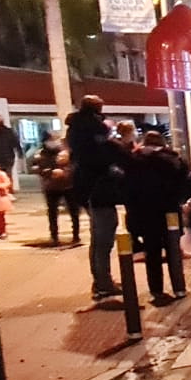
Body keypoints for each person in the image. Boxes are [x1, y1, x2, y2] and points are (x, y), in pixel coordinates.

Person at [66, 96, 123, 300]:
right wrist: (112, 166)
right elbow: (98, 158)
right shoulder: (91, 130)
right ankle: (103, 282)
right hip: (98, 191)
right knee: (103, 236)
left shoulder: (77, 129)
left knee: (99, 236)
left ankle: (101, 280)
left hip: (88, 189)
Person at [125, 131, 189, 304]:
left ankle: (156, 291)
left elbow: (128, 190)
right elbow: (185, 184)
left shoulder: (134, 161)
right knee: (173, 250)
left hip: (146, 213)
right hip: (170, 211)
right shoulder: (174, 159)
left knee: (152, 253)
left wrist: (132, 217)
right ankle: (179, 288)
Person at [32, 135, 80, 245]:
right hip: (51, 187)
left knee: (74, 211)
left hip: (68, 186)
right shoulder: (41, 154)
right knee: (52, 212)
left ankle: (76, 235)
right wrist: (49, 173)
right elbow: (36, 168)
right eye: (51, 140)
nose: (54, 142)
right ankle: (54, 236)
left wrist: (65, 172)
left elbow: (75, 166)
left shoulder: (66, 152)